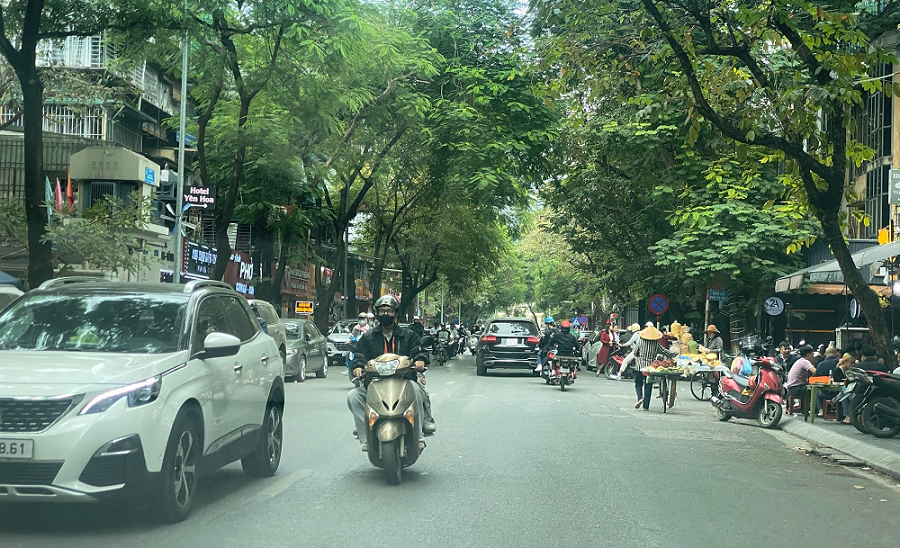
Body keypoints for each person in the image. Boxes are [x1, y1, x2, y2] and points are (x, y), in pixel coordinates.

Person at [346, 295, 435, 451]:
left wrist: (420, 360)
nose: (385, 314)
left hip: (404, 380)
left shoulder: (409, 335)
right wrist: (357, 367)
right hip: (375, 383)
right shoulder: (368, 337)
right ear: (377, 313)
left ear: (396, 314)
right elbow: (359, 355)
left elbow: (418, 351)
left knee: (416, 389)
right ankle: (365, 437)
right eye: (382, 311)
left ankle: (419, 435)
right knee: (354, 396)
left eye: (389, 311)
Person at [629, 325, 677, 410]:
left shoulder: (641, 341)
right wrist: (674, 354)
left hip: (640, 367)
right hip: (650, 368)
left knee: (638, 384)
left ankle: (640, 398)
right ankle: (646, 406)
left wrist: (639, 356)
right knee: (648, 385)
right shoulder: (656, 344)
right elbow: (664, 351)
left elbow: (636, 352)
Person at [346, 312, 370, 377]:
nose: (362, 321)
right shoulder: (356, 329)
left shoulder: (369, 329)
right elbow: (351, 336)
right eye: (360, 319)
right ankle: (349, 369)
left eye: (363, 319)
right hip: (356, 347)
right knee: (348, 354)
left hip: (366, 348)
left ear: (366, 320)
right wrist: (349, 340)